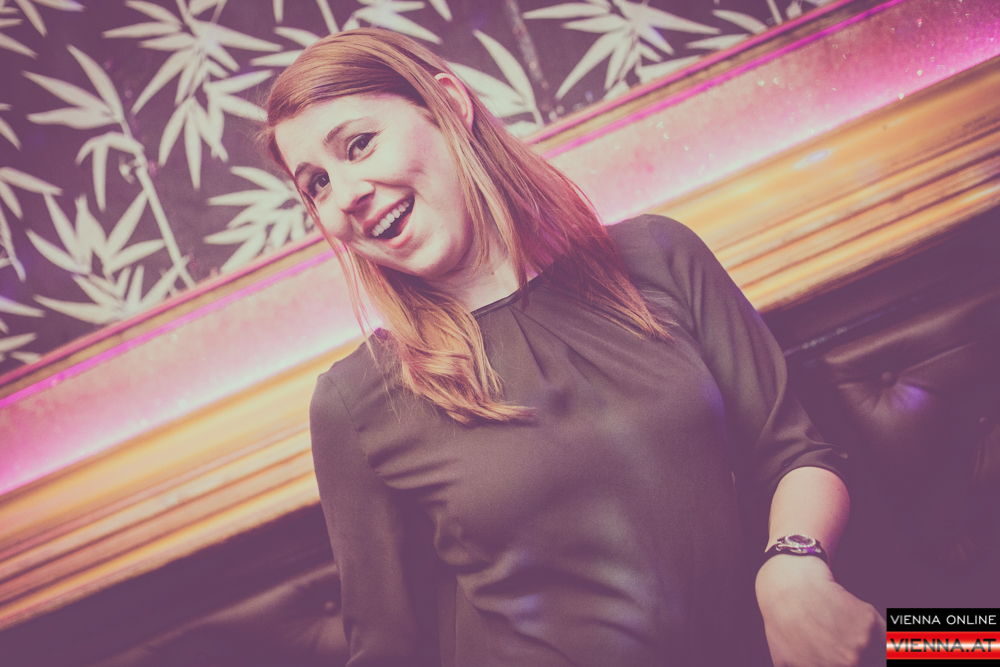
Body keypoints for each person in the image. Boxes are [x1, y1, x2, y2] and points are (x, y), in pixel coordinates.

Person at [263, 28, 885, 667]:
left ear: (448, 103)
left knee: (946, 636)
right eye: (316, 185)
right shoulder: (356, 401)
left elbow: (795, 454)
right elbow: (389, 653)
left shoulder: (658, 256)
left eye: (359, 145)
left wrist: (794, 568)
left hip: (765, 645)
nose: (346, 195)